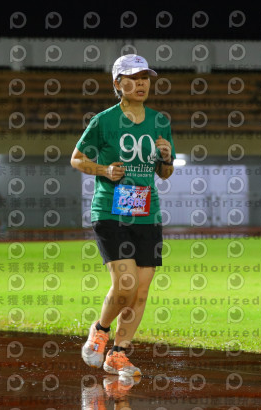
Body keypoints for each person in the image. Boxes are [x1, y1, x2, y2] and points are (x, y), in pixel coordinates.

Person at [71, 54, 176, 378]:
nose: (141, 84)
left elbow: (165, 173)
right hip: (110, 210)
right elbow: (76, 159)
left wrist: (166, 158)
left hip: (147, 212)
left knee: (141, 291)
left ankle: (118, 354)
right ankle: (100, 330)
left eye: (145, 78)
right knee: (126, 285)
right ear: (118, 83)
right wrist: (104, 170)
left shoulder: (160, 121)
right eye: (133, 78)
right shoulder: (103, 121)